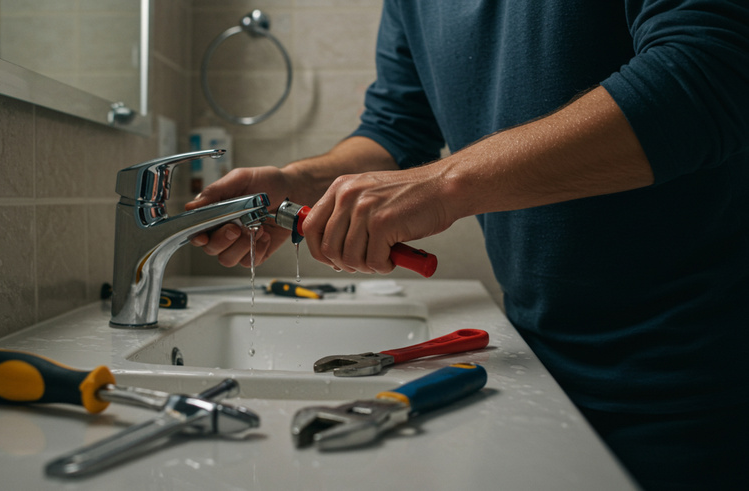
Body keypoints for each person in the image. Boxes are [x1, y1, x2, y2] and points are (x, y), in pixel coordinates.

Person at [188, 1, 749, 489]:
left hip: (696, 376)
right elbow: (397, 128)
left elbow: (712, 68)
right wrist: (300, 185)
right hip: (535, 356)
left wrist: (443, 184)